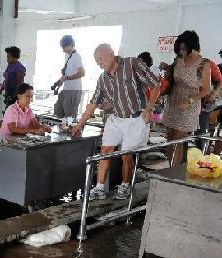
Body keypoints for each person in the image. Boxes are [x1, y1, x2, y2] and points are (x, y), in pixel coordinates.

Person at [72, 43, 160, 201]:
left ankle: (125, 185)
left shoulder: (132, 64)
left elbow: (155, 85)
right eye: (96, 60)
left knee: (125, 155)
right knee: (104, 151)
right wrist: (79, 125)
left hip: (135, 118)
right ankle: (99, 188)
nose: (98, 62)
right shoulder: (103, 79)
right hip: (115, 119)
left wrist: (149, 108)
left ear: (111, 53)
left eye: (100, 58)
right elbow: (93, 104)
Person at [162, 30, 210, 166]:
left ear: (192, 46)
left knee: (178, 140)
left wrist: (189, 101)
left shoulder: (203, 64)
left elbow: (206, 90)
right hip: (173, 101)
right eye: (179, 49)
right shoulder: (178, 60)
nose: (181, 52)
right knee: (170, 138)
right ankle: (169, 167)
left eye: (184, 49)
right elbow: (172, 79)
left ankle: (173, 172)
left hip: (190, 103)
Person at [53, 35, 85, 119]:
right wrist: (59, 84)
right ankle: (63, 128)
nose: (63, 49)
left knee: (70, 115)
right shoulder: (67, 56)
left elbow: (82, 73)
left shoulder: (77, 56)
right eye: (62, 47)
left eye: (64, 47)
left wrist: (67, 77)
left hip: (74, 89)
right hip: (66, 88)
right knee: (58, 109)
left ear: (71, 44)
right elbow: (66, 74)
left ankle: (70, 130)